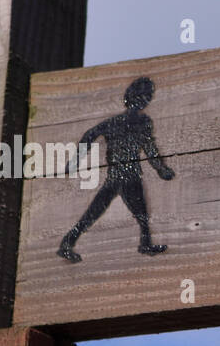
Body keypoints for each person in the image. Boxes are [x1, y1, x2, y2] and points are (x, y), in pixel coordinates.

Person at [58, 76, 174, 262]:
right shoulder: (131, 122)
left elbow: (149, 148)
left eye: (145, 97)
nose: (143, 100)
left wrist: (161, 169)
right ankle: (67, 243)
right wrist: (74, 162)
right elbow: (149, 149)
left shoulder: (129, 122)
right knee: (103, 213)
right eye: (142, 96)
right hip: (124, 175)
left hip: (124, 174)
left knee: (136, 213)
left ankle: (68, 242)